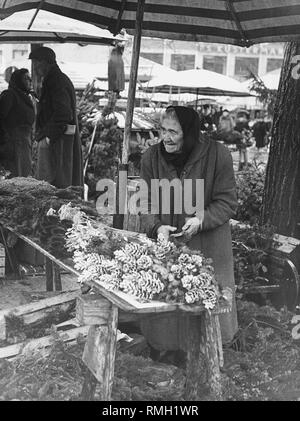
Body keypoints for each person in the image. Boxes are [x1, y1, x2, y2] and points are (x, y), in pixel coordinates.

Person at [139, 106, 238, 358]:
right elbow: (145, 201)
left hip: (208, 243)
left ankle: (210, 358)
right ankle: (166, 353)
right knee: (167, 302)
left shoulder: (218, 155)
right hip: (168, 243)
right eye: (163, 130)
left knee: (206, 305)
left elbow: (226, 202)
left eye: (173, 131)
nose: (166, 137)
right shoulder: (151, 157)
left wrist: (200, 220)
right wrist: (156, 226)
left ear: (190, 132)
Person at [28, 46, 83, 188]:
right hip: (56, 139)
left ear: (46, 62)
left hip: (57, 141)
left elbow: (63, 113)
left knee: (54, 185)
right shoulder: (55, 79)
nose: (34, 68)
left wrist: (48, 137)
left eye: (36, 63)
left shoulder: (57, 81)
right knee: (54, 184)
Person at [0, 68, 35, 177]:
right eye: (26, 78)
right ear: (18, 81)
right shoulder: (9, 95)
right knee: (15, 178)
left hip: (24, 143)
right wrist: (5, 140)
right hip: (13, 144)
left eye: (30, 78)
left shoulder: (26, 97)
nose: (30, 81)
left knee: (23, 177)